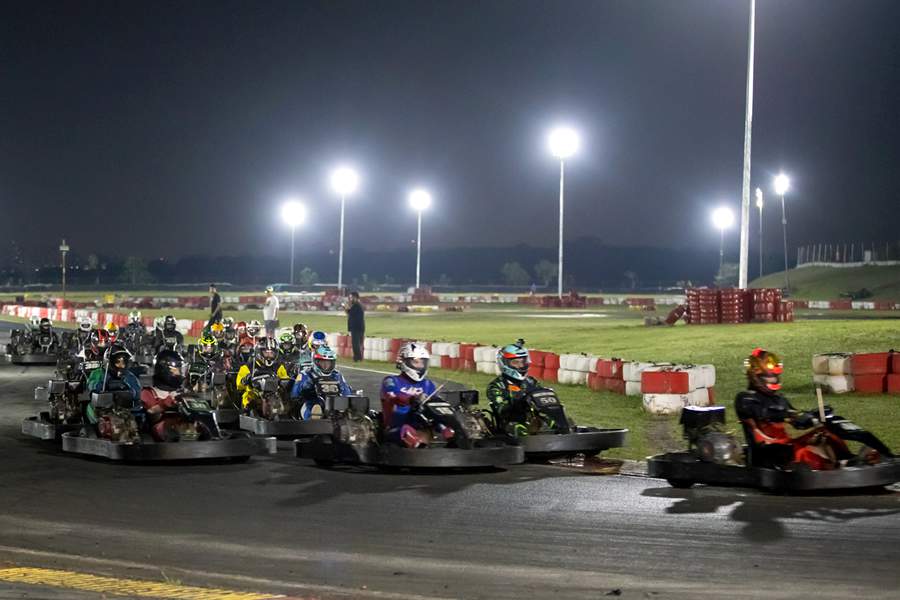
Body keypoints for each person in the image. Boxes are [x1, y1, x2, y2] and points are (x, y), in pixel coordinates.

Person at [735, 348, 850, 470]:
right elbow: (765, 413)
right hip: (766, 452)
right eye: (769, 377)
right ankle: (827, 467)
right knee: (803, 452)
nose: (773, 380)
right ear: (756, 376)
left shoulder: (779, 399)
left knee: (826, 431)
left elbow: (797, 421)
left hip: (785, 445)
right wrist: (790, 415)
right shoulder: (745, 398)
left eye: (775, 377)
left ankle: (848, 459)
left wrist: (812, 415)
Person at [142, 349, 211, 442]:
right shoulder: (149, 392)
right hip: (165, 430)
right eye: (177, 369)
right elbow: (152, 413)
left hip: (186, 425)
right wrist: (170, 402)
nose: (179, 373)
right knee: (168, 430)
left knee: (204, 427)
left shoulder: (183, 391)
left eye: (180, 369)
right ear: (165, 369)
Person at [380, 342, 439, 447]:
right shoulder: (391, 381)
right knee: (407, 430)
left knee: (442, 423)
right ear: (404, 362)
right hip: (396, 427)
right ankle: (418, 446)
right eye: (416, 362)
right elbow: (391, 397)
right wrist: (412, 399)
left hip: (422, 425)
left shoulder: (428, 384)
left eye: (422, 362)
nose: (420, 366)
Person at [485, 340, 546, 436]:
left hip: (534, 420)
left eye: (523, 361)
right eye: (516, 362)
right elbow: (502, 410)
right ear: (505, 363)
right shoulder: (497, 385)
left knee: (553, 422)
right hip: (510, 424)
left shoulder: (531, 381)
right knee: (519, 429)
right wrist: (520, 401)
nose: (521, 365)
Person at [85, 344, 143, 442]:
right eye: (117, 361)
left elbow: (137, 391)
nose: (121, 365)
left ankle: (131, 433)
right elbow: (91, 386)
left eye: (123, 362)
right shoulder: (98, 373)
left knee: (134, 418)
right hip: (103, 409)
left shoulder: (129, 376)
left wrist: (127, 389)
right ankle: (102, 430)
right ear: (110, 362)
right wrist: (105, 383)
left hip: (124, 409)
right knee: (91, 407)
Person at [291, 346, 352, 419]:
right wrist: (307, 386)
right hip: (311, 402)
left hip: (335, 404)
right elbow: (294, 394)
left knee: (350, 407)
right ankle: (314, 422)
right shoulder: (305, 374)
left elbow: (347, 393)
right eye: (323, 363)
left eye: (328, 363)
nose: (326, 366)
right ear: (316, 361)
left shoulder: (337, 375)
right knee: (316, 408)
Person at [235, 337, 289, 411]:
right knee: (248, 396)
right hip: (256, 393)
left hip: (274, 393)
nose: (269, 355)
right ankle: (249, 413)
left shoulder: (279, 367)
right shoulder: (248, 367)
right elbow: (239, 386)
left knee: (286, 397)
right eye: (266, 352)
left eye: (271, 353)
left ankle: (287, 415)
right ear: (259, 352)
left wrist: (283, 382)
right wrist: (246, 379)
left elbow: (285, 380)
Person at [345, 291, 365, 362]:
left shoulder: (357, 305)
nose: (350, 299)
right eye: (350, 298)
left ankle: (357, 357)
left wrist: (346, 308)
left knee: (355, 343)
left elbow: (350, 313)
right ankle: (358, 357)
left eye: (351, 298)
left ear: (355, 298)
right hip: (357, 327)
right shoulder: (357, 305)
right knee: (358, 343)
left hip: (357, 327)